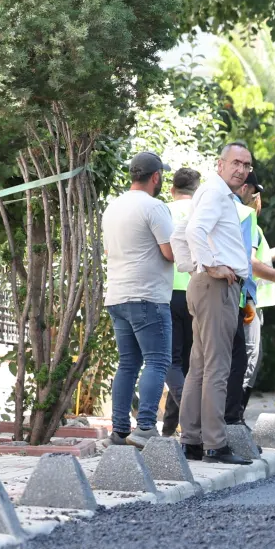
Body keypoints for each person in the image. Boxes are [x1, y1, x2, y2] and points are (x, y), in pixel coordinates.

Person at [175, 142, 256, 464]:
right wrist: (208, 266)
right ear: (220, 164)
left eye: (247, 165)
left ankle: (192, 441)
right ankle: (215, 445)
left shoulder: (211, 195)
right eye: (236, 163)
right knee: (217, 368)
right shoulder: (215, 193)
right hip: (215, 287)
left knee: (199, 368)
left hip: (206, 285)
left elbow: (180, 232)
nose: (242, 170)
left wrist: (190, 266)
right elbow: (193, 230)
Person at [100, 152, 178, 446]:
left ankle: (119, 431)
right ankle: (145, 427)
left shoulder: (112, 208)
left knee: (127, 364)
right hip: (148, 296)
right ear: (156, 177)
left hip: (117, 295)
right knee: (157, 361)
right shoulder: (155, 207)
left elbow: (109, 252)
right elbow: (169, 252)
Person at [224, 174, 275, 426]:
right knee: (247, 360)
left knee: (229, 360)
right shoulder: (248, 220)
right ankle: (234, 417)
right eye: (257, 194)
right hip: (246, 301)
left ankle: (227, 416)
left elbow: (258, 257)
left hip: (232, 298)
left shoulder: (227, 217)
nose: (259, 200)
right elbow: (252, 263)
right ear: (248, 192)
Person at [160, 167, 201, 437]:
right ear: (197, 191)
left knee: (170, 362)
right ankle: (170, 428)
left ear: (172, 190)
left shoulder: (162, 211)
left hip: (167, 292)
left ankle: (189, 417)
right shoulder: (201, 212)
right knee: (188, 362)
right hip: (197, 292)